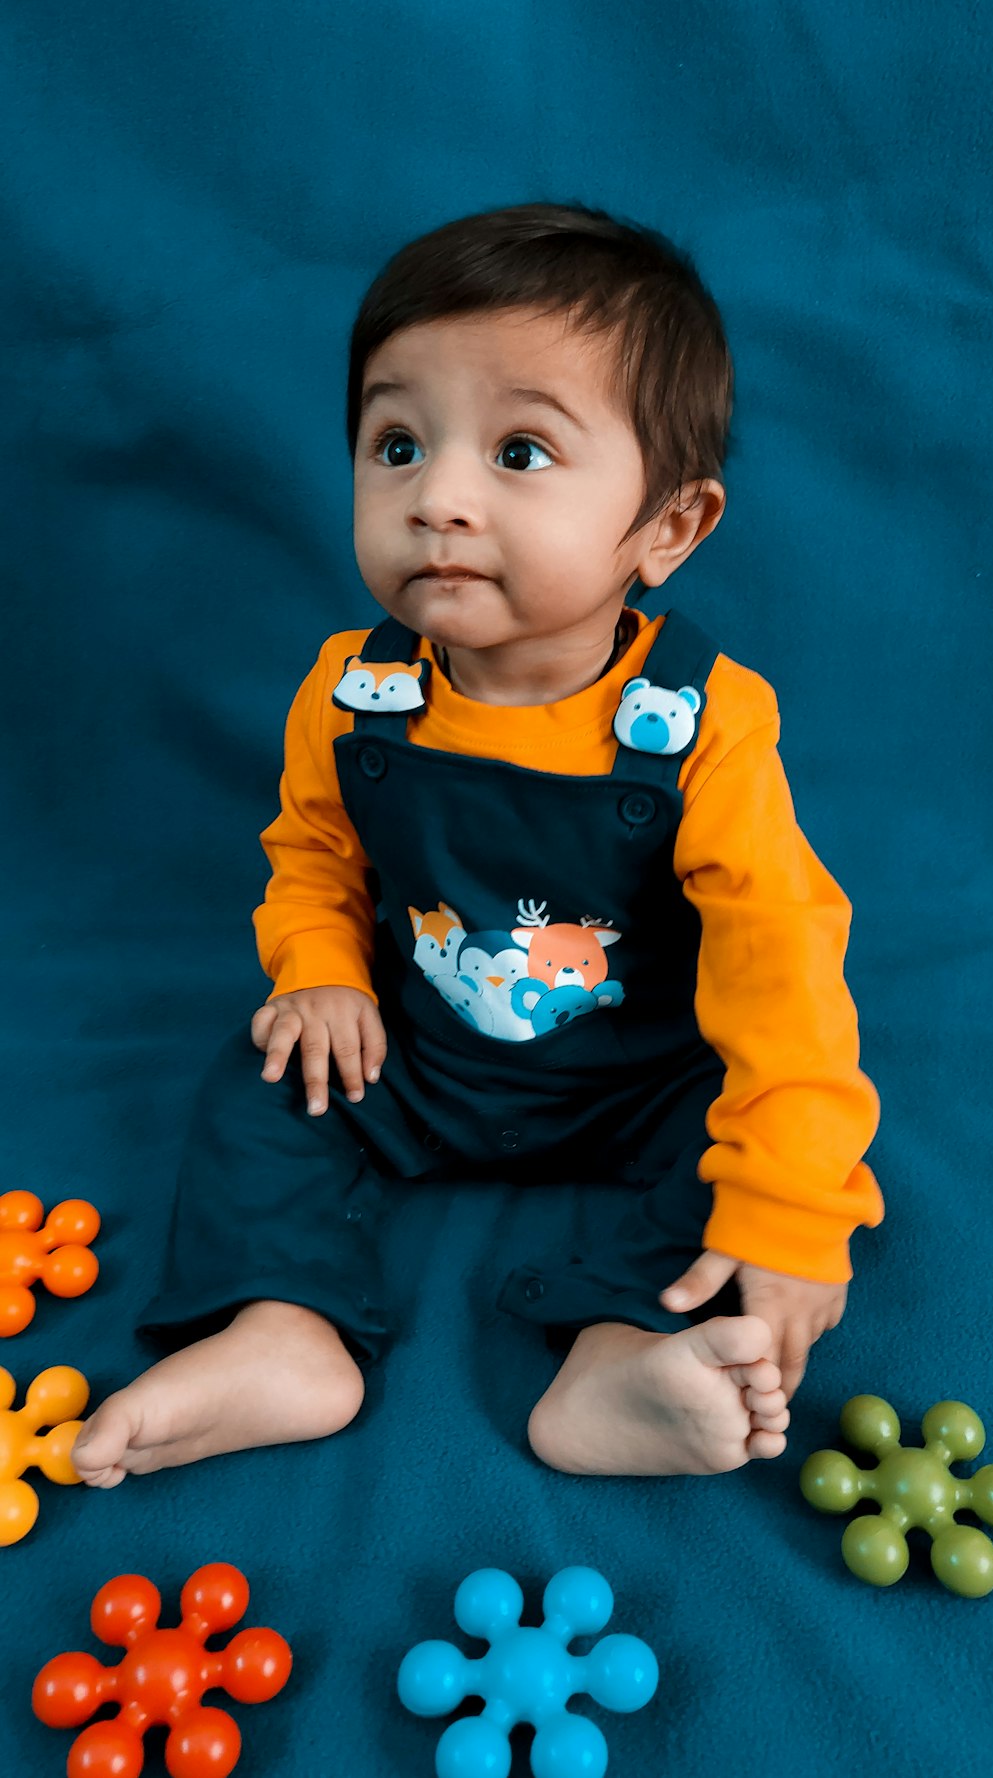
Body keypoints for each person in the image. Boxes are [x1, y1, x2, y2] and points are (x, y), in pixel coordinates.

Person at [72, 200, 882, 1488]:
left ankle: (622, 1357)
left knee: (750, 1154)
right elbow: (314, 857)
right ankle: (283, 1328)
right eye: (397, 443)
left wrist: (794, 1211)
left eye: (519, 451)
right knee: (266, 1079)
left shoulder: (704, 726)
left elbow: (779, 964)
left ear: (668, 527)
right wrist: (321, 970)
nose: (438, 496)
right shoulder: (351, 693)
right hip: (420, 1051)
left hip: (642, 1072)